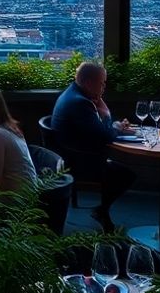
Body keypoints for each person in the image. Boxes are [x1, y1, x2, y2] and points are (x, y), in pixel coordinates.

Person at [51, 62, 135, 232]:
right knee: (127, 175)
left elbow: (97, 131)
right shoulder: (80, 103)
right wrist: (110, 118)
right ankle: (101, 211)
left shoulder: (73, 95)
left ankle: (102, 211)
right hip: (79, 162)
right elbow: (104, 136)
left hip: (71, 156)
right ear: (89, 83)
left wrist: (109, 122)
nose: (104, 86)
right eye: (102, 82)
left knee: (119, 171)